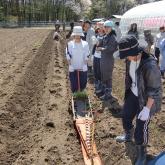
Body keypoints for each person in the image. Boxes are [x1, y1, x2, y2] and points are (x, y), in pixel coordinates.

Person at [115, 36, 162, 165]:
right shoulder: (130, 60)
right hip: (133, 93)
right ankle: (128, 135)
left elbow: (154, 89)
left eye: (126, 55)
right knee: (126, 116)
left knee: (141, 128)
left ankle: (142, 152)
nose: (125, 58)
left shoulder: (150, 65)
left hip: (147, 100)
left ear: (134, 53)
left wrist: (147, 109)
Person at [96, 20, 118, 100]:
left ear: (111, 28)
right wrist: (98, 43)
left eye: (108, 27)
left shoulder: (112, 37)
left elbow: (111, 49)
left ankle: (108, 93)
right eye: (105, 27)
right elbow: (101, 43)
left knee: (107, 77)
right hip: (103, 59)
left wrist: (101, 48)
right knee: (103, 75)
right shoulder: (106, 36)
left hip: (108, 60)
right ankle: (104, 90)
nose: (106, 28)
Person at [66, 26, 89, 93]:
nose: (77, 36)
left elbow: (87, 53)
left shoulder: (85, 44)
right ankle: (75, 94)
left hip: (82, 66)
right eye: (76, 34)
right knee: (74, 83)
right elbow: (68, 53)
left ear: (81, 34)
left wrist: (85, 62)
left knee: (83, 82)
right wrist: (69, 62)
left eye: (79, 34)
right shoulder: (70, 44)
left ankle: (82, 91)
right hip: (73, 66)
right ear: (74, 34)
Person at [92, 23, 105, 93]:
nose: (99, 30)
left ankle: (100, 86)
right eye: (98, 29)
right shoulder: (97, 36)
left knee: (100, 72)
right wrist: (92, 54)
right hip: (96, 56)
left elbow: (105, 47)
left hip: (101, 57)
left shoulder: (105, 37)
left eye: (101, 29)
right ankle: (96, 84)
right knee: (95, 70)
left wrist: (100, 47)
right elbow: (95, 46)